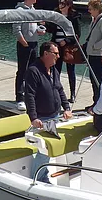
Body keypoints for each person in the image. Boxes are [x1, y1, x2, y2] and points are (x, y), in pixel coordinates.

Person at [25, 41, 73, 183]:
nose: (58, 56)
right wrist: (33, 117)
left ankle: (42, 174)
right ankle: (37, 178)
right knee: (44, 151)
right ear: (46, 54)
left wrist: (67, 107)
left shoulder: (53, 70)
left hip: (54, 115)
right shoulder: (34, 71)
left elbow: (60, 89)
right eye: (56, 53)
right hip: (42, 118)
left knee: (48, 151)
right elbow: (29, 96)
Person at [13, 0, 46, 111]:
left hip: (34, 43)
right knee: (22, 71)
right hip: (25, 44)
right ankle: (20, 98)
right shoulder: (20, 10)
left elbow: (34, 26)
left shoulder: (33, 9)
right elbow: (16, 29)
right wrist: (24, 42)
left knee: (32, 70)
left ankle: (30, 95)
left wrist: (39, 30)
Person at [46, 0, 82, 103]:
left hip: (68, 47)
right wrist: (45, 25)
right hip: (56, 47)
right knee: (55, 70)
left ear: (68, 5)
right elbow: (52, 29)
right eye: (60, 3)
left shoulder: (74, 17)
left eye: (63, 3)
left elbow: (77, 34)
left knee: (71, 70)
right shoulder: (56, 15)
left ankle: (73, 93)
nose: (61, 5)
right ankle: (55, 91)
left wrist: (66, 41)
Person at [85, 0, 102, 102]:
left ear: (97, 9)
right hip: (91, 54)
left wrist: (94, 46)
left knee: (98, 80)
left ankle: (100, 102)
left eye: (90, 9)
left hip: (99, 55)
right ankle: (95, 101)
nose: (89, 11)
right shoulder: (94, 20)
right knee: (93, 80)